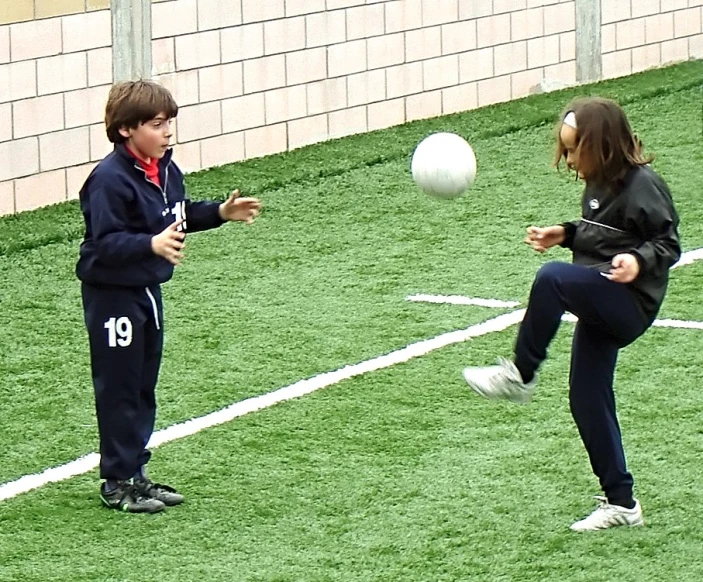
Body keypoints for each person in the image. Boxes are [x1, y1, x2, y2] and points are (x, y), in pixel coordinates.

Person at [461, 97, 681, 531]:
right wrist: (564, 234)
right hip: (600, 294)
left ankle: (520, 375)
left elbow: (668, 243)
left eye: (575, 149)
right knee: (586, 397)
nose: (570, 159)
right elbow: (601, 233)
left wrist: (637, 261)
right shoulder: (599, 183)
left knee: (552, 280)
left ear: (601, 145)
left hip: (629, 303)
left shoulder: (643, 185)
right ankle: (621, 503)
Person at [76, 80, 261, 513]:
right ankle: (116, 482)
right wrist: (149, 246)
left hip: (147, 291)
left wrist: (218, 213)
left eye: (169, 122)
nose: (167, 131)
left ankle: (137, 474)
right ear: (126, 129)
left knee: (142, 385)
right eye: (156, 124)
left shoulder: (164, 168)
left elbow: (176, 214)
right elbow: (103, 244)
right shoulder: (108, 181)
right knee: (119, 388)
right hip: (113, 298)